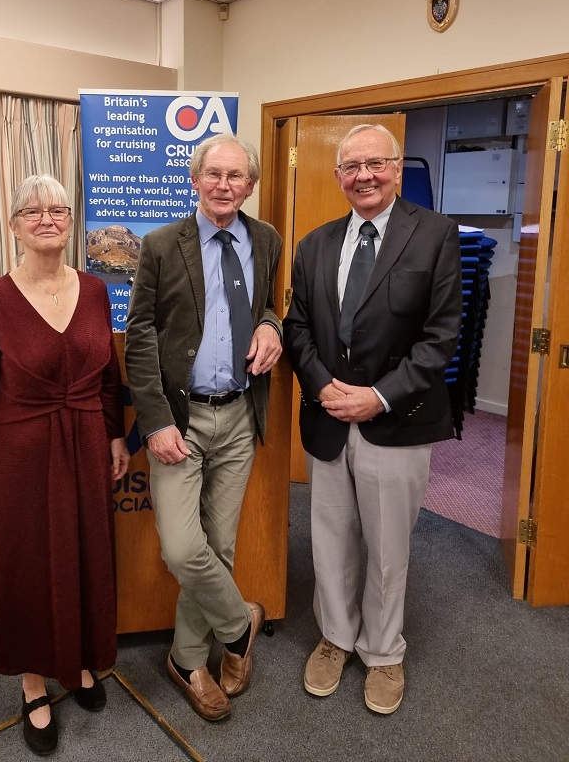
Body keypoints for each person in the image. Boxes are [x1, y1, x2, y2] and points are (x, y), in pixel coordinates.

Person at [283, 123, 462, 715]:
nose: (364, 175)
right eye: (351, 167)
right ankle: (336, 638)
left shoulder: (434, 235)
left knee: (388, 545)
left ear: (395, 165)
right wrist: (323, 386)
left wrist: (377, 397)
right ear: (338, 177)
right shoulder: (313, 244)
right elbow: (298, 328)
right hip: (329, 416)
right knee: (330, 539)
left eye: (375, 164)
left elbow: (440, 339)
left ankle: (384, 651)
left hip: (397, 419)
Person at [0, 174, 130, 756]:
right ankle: (33, 682)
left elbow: (108, 378)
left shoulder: (98, 290)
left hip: (83, 444)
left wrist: (113, 438)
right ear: (14, 225)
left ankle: (77, 662)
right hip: (19, 455)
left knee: (83, 553)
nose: (48, 219)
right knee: (26, 564)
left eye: (58, 209)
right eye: (33, 211)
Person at [125, 134, 283, 721]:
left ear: (250, 184)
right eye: (213, 174)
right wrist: (155, 420)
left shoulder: (264, 238)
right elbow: (140, 333)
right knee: (183, 547)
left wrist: (272, 326)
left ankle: (187, 659)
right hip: (180, 419)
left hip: (240, 415)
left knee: (220, 544)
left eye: (235, 176)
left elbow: (266, 304)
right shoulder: (163, 244)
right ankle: (240, 624)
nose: (224, 185)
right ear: (195, 180)